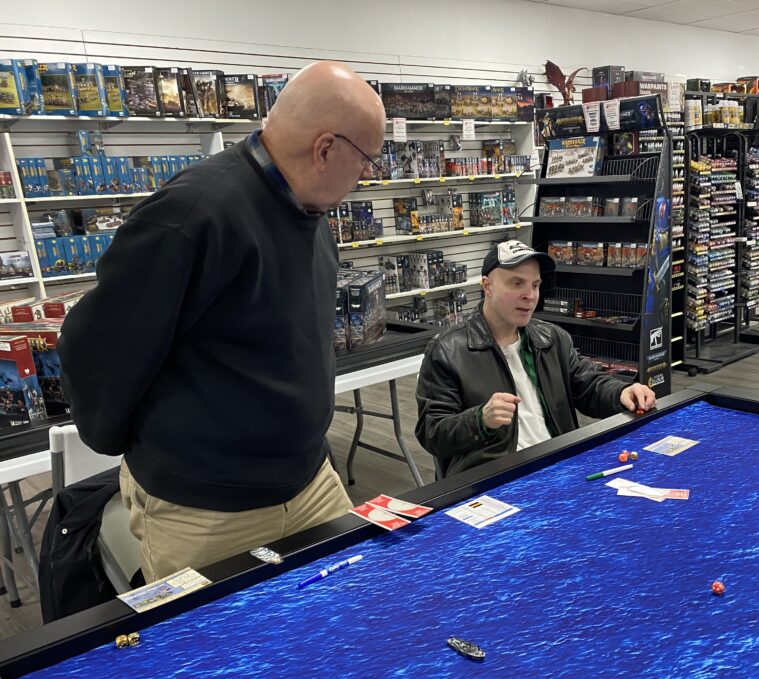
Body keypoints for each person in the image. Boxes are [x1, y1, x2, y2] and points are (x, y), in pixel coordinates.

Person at [58, 61, 386, 582]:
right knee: (216, 636)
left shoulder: (311, 211)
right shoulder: (194, 213)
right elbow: (96, 347)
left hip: (309, 480)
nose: (367, 173)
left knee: (345, 611)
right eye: (367, 158)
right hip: (206, 509)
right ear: (325, 149)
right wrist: (155, 455)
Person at [415, 240, 657, 478]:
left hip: (560, 465)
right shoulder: (447, 350)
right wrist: (480, 420)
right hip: (495, 479)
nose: (530, 296)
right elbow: (432, 432)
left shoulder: (551, 338)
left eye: (535, 285)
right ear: (487, 286)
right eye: (517, 283)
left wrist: (621, 392)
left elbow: (588, 385)